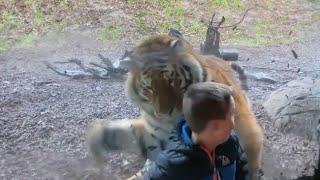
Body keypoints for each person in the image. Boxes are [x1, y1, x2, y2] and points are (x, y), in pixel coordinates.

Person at [145, 82, 249, 180]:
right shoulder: (173, 166)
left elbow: (245, 171)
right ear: (215, 126)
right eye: (232, 114)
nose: (235, 119)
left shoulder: (230, 142)